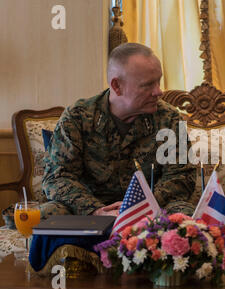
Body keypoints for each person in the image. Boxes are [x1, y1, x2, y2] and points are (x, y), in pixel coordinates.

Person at [40, 43, 196, 218]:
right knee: (50, 213)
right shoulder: (77, 117)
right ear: (117, 86)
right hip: (91, 211)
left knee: (184, 214)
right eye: (148, 85)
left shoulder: (168, 118)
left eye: (158, 82)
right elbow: (58, 177)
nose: (158, 92)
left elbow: (182, 176)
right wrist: (96, 210)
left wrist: (138, 205)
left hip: (150, 209)